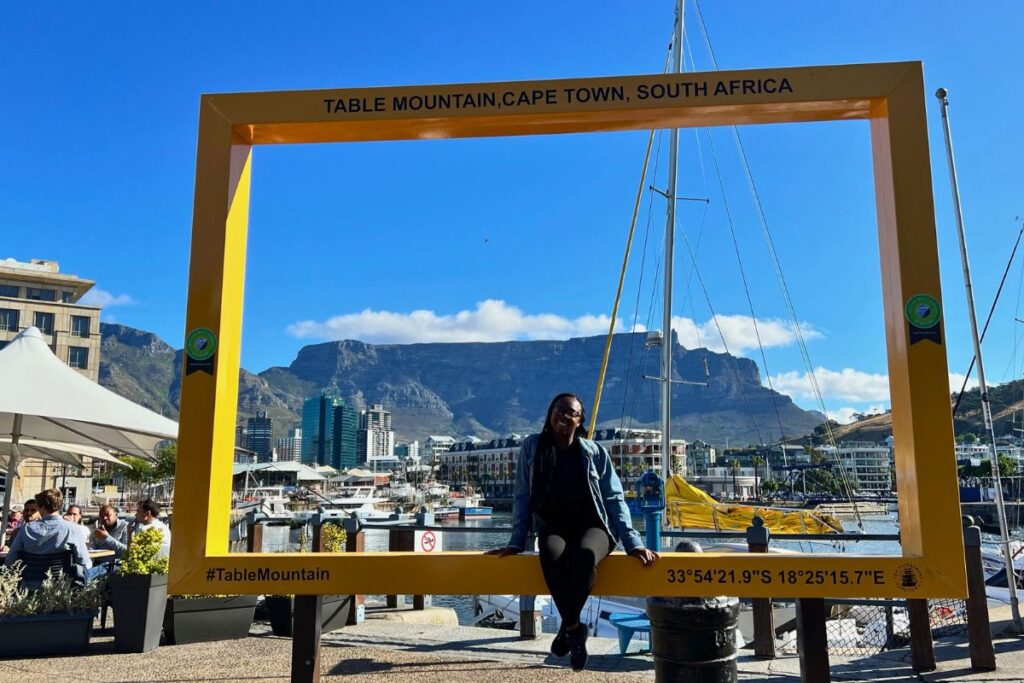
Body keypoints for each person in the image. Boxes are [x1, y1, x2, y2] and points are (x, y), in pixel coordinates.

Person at [486, 393, 659, 671]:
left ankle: (567, 629)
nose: (563, 416)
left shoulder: (593, 452)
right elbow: (522, 497)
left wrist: (633, 543)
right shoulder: (532, 447)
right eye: (558, 410)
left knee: (585, 556)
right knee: (551, 556)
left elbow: (614, 499)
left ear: (580, 421)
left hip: (593, 526)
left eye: (571, 412)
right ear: (549, 414)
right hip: (553, 527)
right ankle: (576, 630)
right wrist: (516, 541)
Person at [4, 489, 94, 584]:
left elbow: (10, 561)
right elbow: (84, 561)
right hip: (61, 587)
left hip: (29, 585)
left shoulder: (26, 529)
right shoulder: (72, 529)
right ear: (60, 505)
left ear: (40, 506)